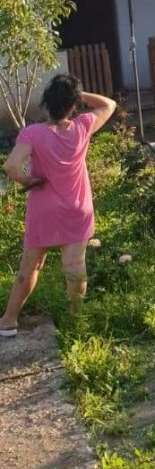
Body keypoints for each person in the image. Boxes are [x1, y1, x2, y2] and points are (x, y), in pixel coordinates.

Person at [0, 75, 117, 338]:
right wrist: (77, 94)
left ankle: (9, 319)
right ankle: (76, 322)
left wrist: (28, 181)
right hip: (78, 209)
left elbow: (10, 166)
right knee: (75, 265)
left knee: (30, 266)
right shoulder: (83, 126)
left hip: (44, 210)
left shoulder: (33, 133)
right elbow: (108, 104)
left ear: (46, 103)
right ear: (72, 105)